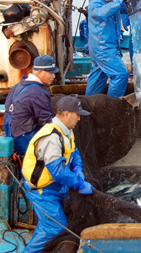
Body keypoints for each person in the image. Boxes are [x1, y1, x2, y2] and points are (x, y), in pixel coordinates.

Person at [21, 96, 93, 253]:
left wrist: (78, 168)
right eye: (77, 114)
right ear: (67, 114)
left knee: (48, 223)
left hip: (55, 186)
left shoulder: (66, 130)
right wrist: (79, 184)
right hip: (42, 191)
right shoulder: (51, 137)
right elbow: (58, 172)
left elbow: (73, 150)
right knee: (56, 227)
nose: (79, 118)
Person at [4, 55, 59, 155]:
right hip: (23, 139)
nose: (53, 76)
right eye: (51, 72)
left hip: (10, 133)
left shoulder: (19, 86)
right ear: (40, 72)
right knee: (59, 144)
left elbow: (7, 107)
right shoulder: (38, 92)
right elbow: (45, 122)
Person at [85, 0, 129, 98]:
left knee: (98, 76)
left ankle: (89, 105)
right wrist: (117, 3)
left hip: (101, 47)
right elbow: (100, 13)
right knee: (120, 75)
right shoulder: (95, 2)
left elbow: (122, 11)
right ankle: (111, 106)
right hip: (103, 49)